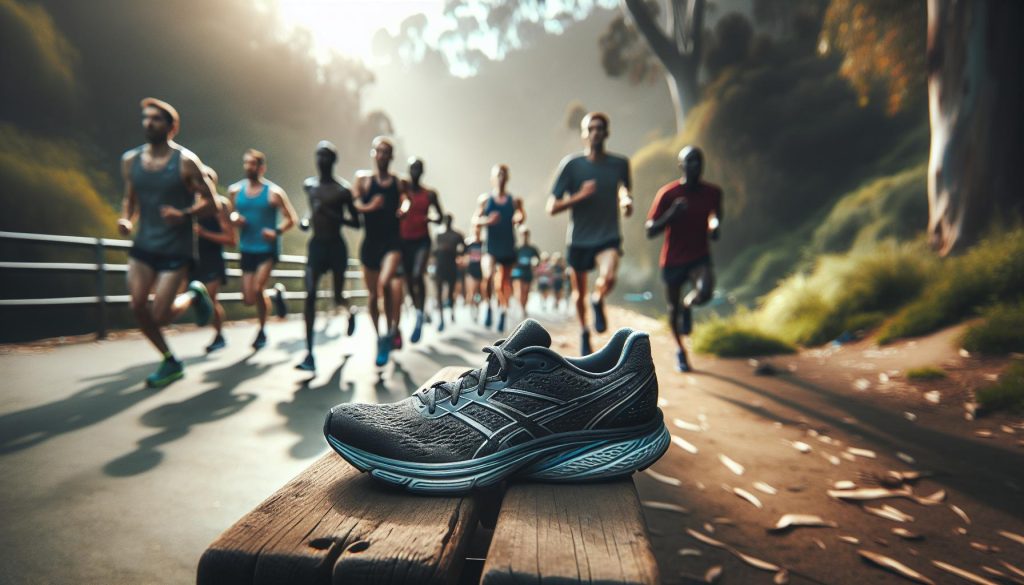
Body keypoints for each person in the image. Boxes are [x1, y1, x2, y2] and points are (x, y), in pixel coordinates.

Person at [118, 97, 217, 387]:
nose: (149, 123)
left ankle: (194, 295)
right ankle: (170, 360)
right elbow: (130, 197)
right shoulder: (130, 161)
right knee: (137, 305)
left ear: (172, 127)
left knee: (160, 316)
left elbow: (212, 203)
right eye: (146, 118)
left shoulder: (186, 162)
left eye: (156, 119)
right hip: (144, 246)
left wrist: (184, 213)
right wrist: (126, 219)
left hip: (176, 248)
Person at [548, 112, 633, 355]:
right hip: (579, 239)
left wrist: (626, 200)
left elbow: (624, 189)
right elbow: (552, 207)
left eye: (600, 128)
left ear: (607, 133)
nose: (595, 132)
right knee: (578, 292)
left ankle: (598, 299)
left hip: (608, 235)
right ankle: (584, 330)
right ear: (584, 134)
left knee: (608, 276)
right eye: (591, 128)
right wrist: (579, 196)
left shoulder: (620, 164)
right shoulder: (572, 166)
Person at [645, 145, 722, 372]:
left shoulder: (713, 193)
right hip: (673, 260)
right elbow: (649, 230)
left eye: (699, 161)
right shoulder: (668, 194)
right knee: (672, 309)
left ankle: (689, 305)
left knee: (706, 291)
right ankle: (680, 350)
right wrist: (671, 215)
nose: (695, 165)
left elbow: (715, 217)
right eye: (690, 161)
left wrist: (714, 226)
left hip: (699, 256)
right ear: (681, 166)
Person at [295, 141, 361, 372]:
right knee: (310, 294)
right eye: (318, 156)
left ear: (333, 161)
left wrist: (334, 215)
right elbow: (311, 209)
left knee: (336, 296)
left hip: (336, 247)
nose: (321, 161)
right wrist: (305, 221)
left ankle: (350, 310)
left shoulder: (342, 191)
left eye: (326, 157)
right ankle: (309, 353)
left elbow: (356, 222)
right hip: (316, 246)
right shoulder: (309, 186)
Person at [228, 148, 298, 350]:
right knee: (249, 298)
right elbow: (231, 214)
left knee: (258, 289)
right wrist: (235, 219)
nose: (248, 167)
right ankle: (275, 295)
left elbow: (290, 218)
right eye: (246, 163)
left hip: (267, 249)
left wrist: (276, 231)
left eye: (252, 164)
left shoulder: (274, 193)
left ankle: (261, 330)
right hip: (247, 248)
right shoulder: (235, 191)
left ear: (261, 168)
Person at [352, 136, 407, 367]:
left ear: (391, 156)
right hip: (370, 244)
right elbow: (354, 202)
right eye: (379, 151)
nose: (382, 155)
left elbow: (405, 201)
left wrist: (403, 210)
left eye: (386, 152)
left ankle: (391, 329)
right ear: (373, 153)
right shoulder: (363, 180)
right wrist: (369, 206)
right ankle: (380, 336)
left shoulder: (397, 182)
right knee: (373, 295)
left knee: (386, 283)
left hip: (392, 243)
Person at [472, 164, 525, 333]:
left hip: (508, 245)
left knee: (503, 282)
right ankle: (488, 305)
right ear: (492, 179)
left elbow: (521, 215)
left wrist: (518, 218)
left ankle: (503, 309)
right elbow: (475, 220)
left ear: (507, 178)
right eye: (498, 175)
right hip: (491, 246)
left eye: (503, 175)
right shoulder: (485, 200)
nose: (501, 178)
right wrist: (487, 222)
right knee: (487, 275)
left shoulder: (514, 200)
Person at [192, 165, 237, 353]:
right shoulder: (192, 205)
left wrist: (204, 233)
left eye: (205, 180)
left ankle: (219, 335)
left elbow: (230, 239)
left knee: (211, 298)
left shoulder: (221, 205)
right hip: (194, 258)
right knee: (195, 296)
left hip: (213, 257)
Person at [399, 157, 443, 343]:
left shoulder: (430, 194)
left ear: (422, 171)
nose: (415, 172)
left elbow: (440, 217)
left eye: (418, 168)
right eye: (412, 168)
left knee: (418, 275)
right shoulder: (402, 190)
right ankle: (415, 305)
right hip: (404, 241)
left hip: (422, 241)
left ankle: (419, 315)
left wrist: (430, 218)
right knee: (408, 279)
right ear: (408, 171)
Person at [433, 213, 465, 331]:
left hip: (451, 265)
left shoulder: (456, 235)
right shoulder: (438, 235)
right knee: (439, 292)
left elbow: (464, 247)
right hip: (440, 265)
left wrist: (458, 255)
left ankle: (451, 310)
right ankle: (441, 318)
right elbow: (433, 250)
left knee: (450, 292)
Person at [511, 226, 540, 318]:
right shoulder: (517, 249)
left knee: (526, 292)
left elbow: (538, 260)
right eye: (523, 234)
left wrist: (535, 263)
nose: (524, 236)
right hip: (518, 273)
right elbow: (511, 261)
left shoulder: (532, 249)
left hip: (528, 272)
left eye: (526, 234)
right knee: (520, 290)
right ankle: (520, 307)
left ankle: (524, 307)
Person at [463, 224, 485, 321]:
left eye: (478, 231)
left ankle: (477, 307)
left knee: (478, 292)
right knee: (472, 291)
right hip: (470, 270)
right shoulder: (468, 244)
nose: (477, 233)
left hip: (480, 270)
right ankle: (472, 309)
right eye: (475, 231)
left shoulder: (483, 244)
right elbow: (463, 256)